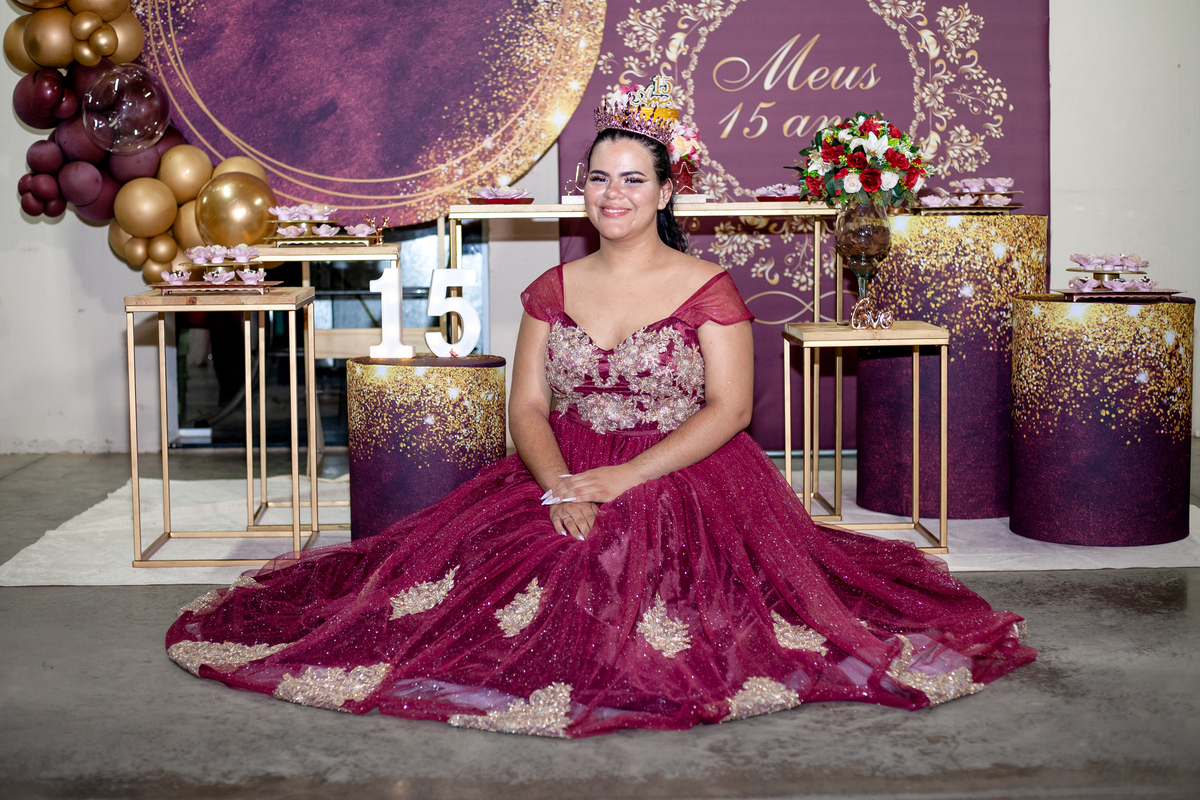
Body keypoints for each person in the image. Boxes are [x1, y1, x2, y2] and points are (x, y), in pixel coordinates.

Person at [165, 103, 1035, 739]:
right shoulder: (552, 288)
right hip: (562, 466)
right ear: (581, 189)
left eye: (633, 179)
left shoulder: (708, 289)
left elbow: (731, 409)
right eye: (598, 178)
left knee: (637, 585)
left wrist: (619, 478)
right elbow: (527, 406)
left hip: (684, 469)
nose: (613, 194)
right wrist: (560, 485)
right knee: (487, 583)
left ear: (665, 192)